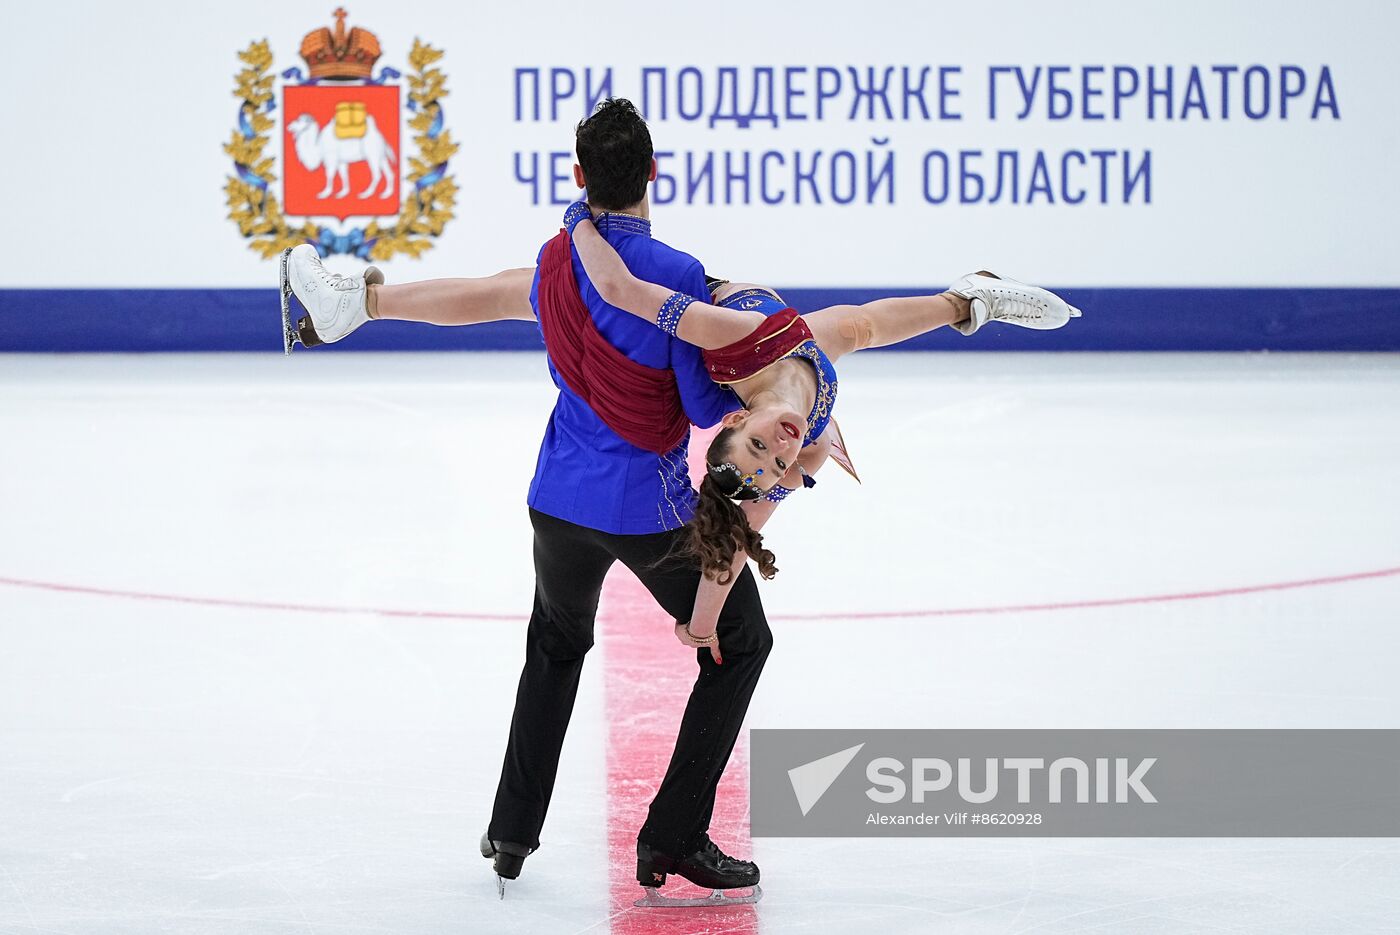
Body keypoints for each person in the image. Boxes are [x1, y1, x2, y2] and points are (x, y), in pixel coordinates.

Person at [288, 99, 769, 905]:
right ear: (655, 173)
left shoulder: (556, 261)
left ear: (579, 178)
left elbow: (489, 294)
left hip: (557, 502)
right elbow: (695, 407)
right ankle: (674, 832)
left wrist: (377, 301)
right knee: (739, 639)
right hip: (644, 508)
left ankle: (512, 832)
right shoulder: (679, 274)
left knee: (554, 643)